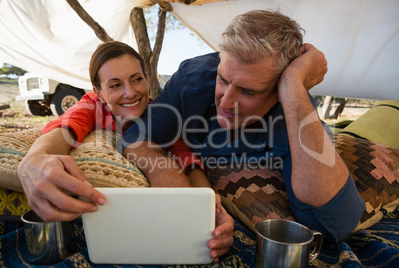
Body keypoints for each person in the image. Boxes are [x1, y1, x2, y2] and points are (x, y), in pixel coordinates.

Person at [119, 10, 366, 244]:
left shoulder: (294, 106)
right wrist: (168, 175)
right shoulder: (192, 78)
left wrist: (293, 84)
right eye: (223, 80)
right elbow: (136, 137)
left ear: (280, 90)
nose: (225, 103)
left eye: (248, 91)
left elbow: (334, 222)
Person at [17, 41, 234, 262]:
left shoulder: (158, 113)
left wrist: (209, 205)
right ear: (99, 92)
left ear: (147, 79)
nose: (130, 93)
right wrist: (36, 157)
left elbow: (183, 154)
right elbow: (66, 127)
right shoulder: (93, 106)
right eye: (115, 85)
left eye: (136, 79)